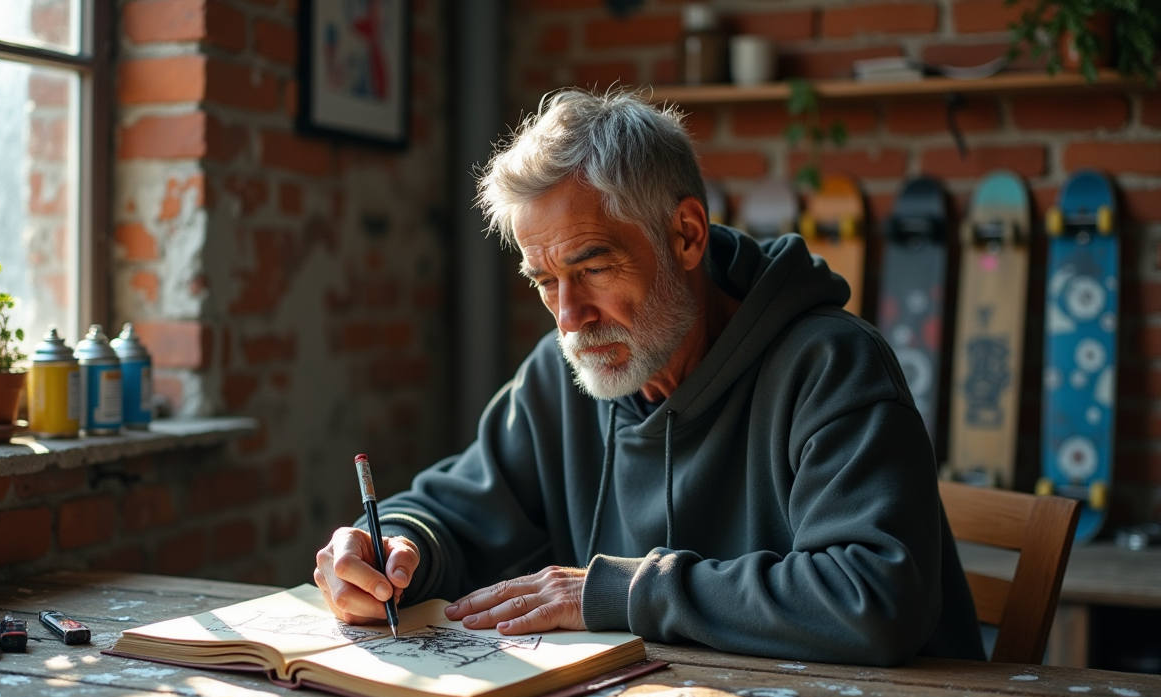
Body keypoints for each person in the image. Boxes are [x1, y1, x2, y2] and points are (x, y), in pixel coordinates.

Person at [314, 89, 985, 665]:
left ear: (687, 235)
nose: (570, 316)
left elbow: (873, 599)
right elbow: (456, 511)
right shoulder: (566, 371)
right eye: (544, 281)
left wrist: (621, 593)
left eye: (592, 267)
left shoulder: (831, 366)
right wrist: (392, 549)